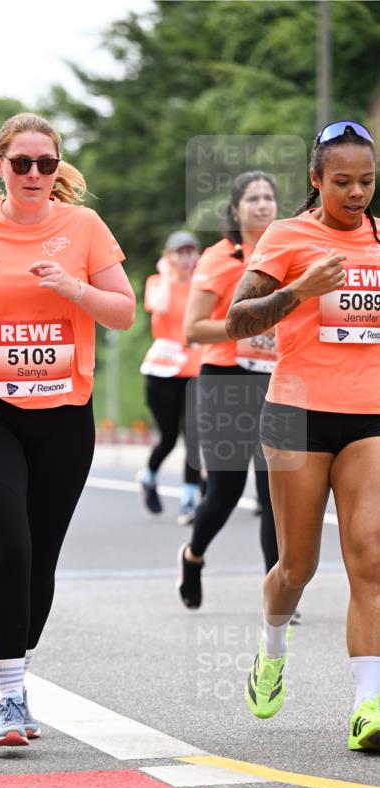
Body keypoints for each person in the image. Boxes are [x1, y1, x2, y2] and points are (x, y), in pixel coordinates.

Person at [0, 112, 135, 747]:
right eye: (22, 163)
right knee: (10, 547)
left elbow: (124, 312)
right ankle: (9, 697)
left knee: (41, 558)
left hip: (65, 417)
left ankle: (19, 666)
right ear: (1, 166)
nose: (35, 173)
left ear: (57, 167)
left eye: (46, 163)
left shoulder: (84, 228)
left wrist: (75, 288)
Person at [226, 121, 380, 751]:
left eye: (366, 180)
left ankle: (368, 706)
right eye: (342, 181)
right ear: (316, 180)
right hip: (296, 413)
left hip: (369, 416)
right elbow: (237, 321)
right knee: (297, 566)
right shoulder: (287, 236)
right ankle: (271, 648)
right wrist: (300, 289)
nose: (356, 193)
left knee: (371, 556)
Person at [177, 171, 279, 610]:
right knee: (224, 493)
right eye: (252, 198)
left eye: (269, 197)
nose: (262, 205)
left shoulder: (288, 252)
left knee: (277, 494)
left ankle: (278, 595)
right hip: (226, 380)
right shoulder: (219, 258)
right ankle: (193, 555)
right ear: (235, 210)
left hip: (277, 381)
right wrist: (248, 326)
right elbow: (193, 329)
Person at [138, 230, 202, 523]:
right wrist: (165, 274)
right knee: (168, 438)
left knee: (194, 437)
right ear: (169, 256)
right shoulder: (156, 282)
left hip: (196, 369)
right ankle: (149, 476)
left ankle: (189, 501)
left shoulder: (202, 285)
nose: (185, 258)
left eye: (190, 252)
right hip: (163, 371)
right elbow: (160, 305)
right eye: (180, 252)